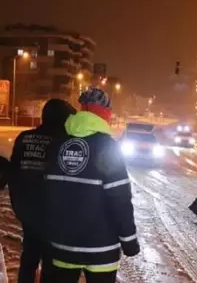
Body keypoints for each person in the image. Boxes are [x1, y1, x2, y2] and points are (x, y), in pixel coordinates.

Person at [42, 88, 139, 283]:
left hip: (63, 246)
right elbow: (120, 199)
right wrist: (129, 240)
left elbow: (47, 194)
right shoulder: (107, 147)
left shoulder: (58, 144)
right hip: (101, 249)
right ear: (105, 114)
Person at [9, 99, 76, 283]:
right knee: (50, 264)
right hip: (53, 216)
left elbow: (13, 174)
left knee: (29, 258)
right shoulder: (65, 142)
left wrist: (18, 207)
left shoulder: (24, 138)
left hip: (27, 211)